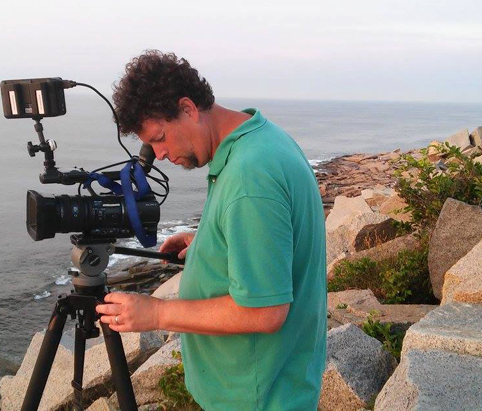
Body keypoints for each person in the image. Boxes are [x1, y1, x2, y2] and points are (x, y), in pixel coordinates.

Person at [94, 50, 327, 410]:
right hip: (263, 386)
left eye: (160, 137)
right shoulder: (259, 139)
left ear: (188, 109)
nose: (159, 154)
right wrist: (208, 241)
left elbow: (265, 312)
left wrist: (155, 313)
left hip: (258, 398)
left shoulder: (250, 177)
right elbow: (275, 235)